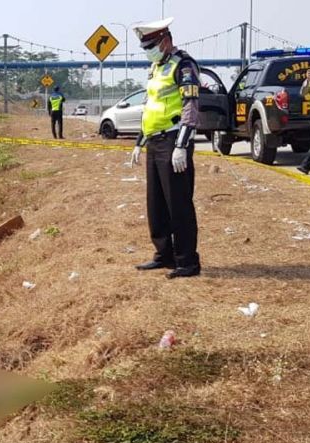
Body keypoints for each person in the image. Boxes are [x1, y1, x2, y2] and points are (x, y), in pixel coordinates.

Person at [129, 17, 202, 279]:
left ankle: (187, 262)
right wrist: (140, 141)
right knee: (156, 203)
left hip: (173, 141)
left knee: (178, 202)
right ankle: (164, 254)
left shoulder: (183, 65)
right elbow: (151, 107)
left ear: (166, 40)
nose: (148, 50)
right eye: (145, 46)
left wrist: (182, 144)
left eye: (151, 44)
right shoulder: (156, 68)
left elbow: (190, 106)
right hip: (155, 141)